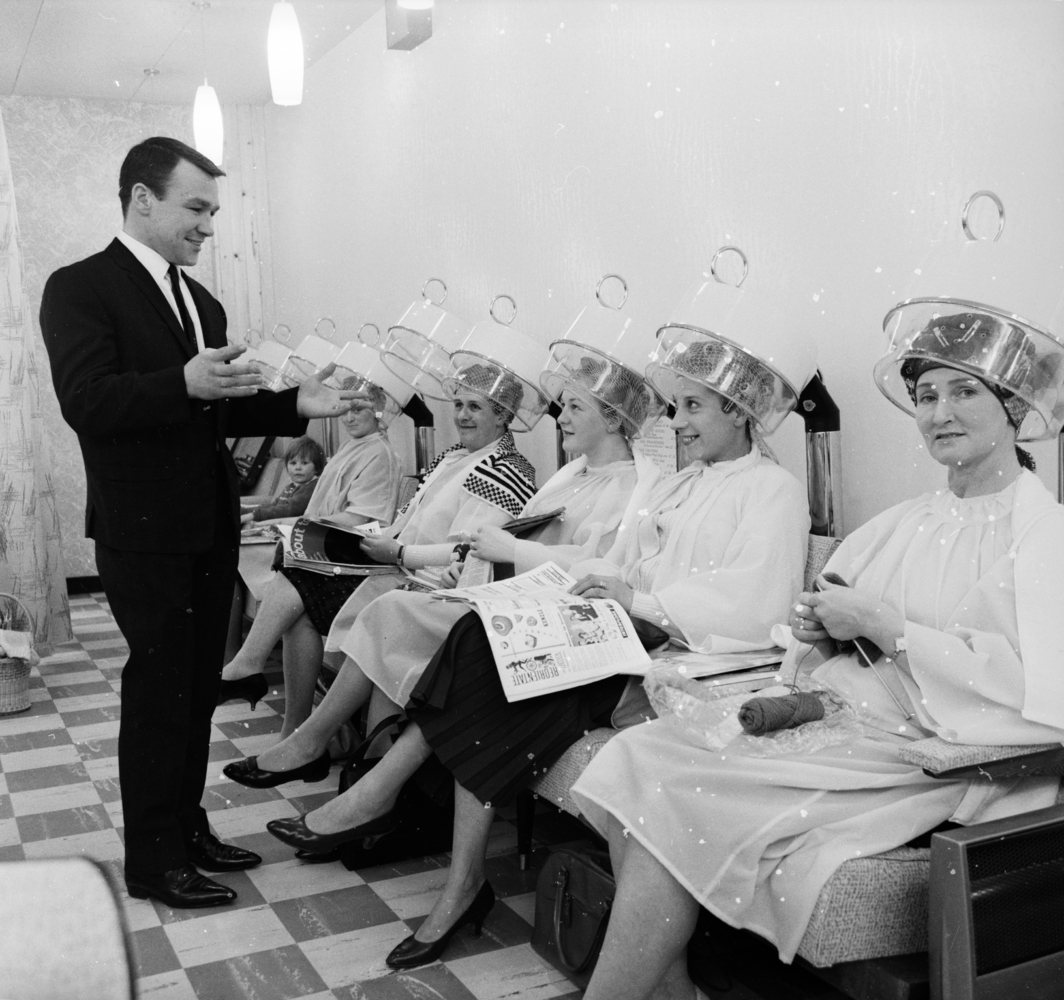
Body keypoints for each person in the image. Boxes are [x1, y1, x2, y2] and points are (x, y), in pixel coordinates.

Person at [265, 323, 815, 973]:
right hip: (623, 631)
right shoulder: (678, 484)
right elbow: (616, 564)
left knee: (483, 656)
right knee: (483, 641)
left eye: (692, 406)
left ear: (741, 412)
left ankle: (413, 832)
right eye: (675, 406)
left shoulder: (773, 491)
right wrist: (602, 588)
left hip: (684, 658)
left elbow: (752, 607)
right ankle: (441, 862)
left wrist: (628, 598)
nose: (677, 421)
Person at [568, 312, 1064, 1000]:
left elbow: (1038, 696)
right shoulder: (906, 521)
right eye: (927, 397)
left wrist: (890, 630)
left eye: (964, 393)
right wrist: (822, 631)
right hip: (855, 725)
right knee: (637, 753)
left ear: (1013, 405)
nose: (940, 413)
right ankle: (669, 984)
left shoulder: (1046, 537)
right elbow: (818, 634)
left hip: (942, 759)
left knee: (682, 787)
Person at [39, 136, 357, 909]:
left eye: (214, 212)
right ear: (141, 199)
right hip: (142, 527)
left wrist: (291, 406)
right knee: (158, 689)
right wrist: (180, 381)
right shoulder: (80, 288)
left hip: (209, 521)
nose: (208, 226)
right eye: (196, 207)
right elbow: (88, 401)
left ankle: (187, 828)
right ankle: (152, 859)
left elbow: (215, 405)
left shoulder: (202, 301)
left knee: (194, 688)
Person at [224, 351, 662, 791]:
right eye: (459, 405)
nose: (560, 417)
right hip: (479, 588)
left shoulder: (556, 477)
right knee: (328, 582)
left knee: (385, 609)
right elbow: (484, 544)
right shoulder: (564, 475)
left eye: (574, 407)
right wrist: (463, 564)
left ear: (612, 418)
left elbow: (575, 567)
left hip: (533, 616)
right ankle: (341, 759)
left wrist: (419, 557)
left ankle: (324, 750)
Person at [221, 360, 540, 767]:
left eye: (475, 407)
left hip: (425, 583)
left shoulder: (508, 470)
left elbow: (472, 551)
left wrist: (399, 553)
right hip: (392, 563)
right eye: (458, 404)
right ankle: (292, 727)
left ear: (503, 414)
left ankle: (278, 706)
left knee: (301, 579)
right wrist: (374, 541)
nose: (461, 415)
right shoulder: (454, 457)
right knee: (300, 567)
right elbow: (407, 520)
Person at [219, 378, 403, 707]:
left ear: (379, 412)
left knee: (295, 577)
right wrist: (283, 523)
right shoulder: (352, 447)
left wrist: (293, 525)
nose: (349, 417)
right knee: (290, 579)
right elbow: (318, 509)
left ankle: (247, 664)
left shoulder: (378, 452)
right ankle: (271, 697)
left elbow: (361, 520)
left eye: (359, 408)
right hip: (332, 547)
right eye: (346, 408)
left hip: (361, 554)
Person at [239, 435, 325, 522]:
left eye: (304, 463)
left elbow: (288, 510)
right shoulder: (291, 486)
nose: (298, 467)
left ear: (317, 468)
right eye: (293, 463)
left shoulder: (310, 487)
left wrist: (253, 515)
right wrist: (245, 511)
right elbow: (274, 506)